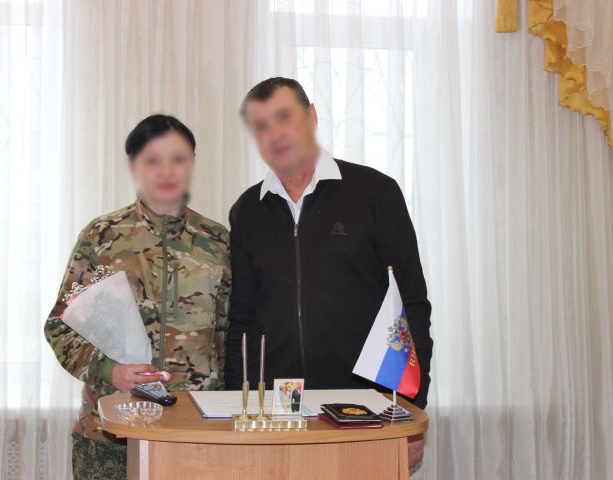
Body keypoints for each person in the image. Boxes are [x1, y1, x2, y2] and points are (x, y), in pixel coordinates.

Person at [224, 77, 432, 468]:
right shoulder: (248, 210)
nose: (275, 134)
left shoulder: (375, 193)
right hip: (278, 411)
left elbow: (411, 307)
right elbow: (242, 320)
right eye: (261, 125)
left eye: (284, 117)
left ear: (311, 117)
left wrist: (409, 413)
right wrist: (236, 406)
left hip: (367, 407)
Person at [44, 114, 231, 480]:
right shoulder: (102, 238)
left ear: (192, 163)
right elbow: (60, 327)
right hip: (111, 433)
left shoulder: (217, 242)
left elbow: (232, 336)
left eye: (178, 158)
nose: (166, 171)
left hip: (196, 430)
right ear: (133, 166)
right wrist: (108, 371)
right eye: (152, 159)